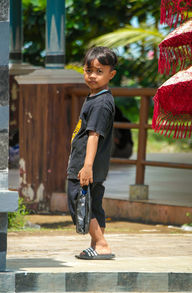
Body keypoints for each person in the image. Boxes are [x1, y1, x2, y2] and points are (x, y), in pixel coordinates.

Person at [67, 46, 117, 260]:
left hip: (86, 165)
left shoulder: (100, 103)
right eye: (89, 71)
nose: (92, 76)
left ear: (111, 74)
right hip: (92, 164)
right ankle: (96, 245)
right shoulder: (98, 98)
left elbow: (94, 136)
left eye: (99, 71)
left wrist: (86, 166)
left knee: (78, 200)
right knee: (93, 203)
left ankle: (102, 244)